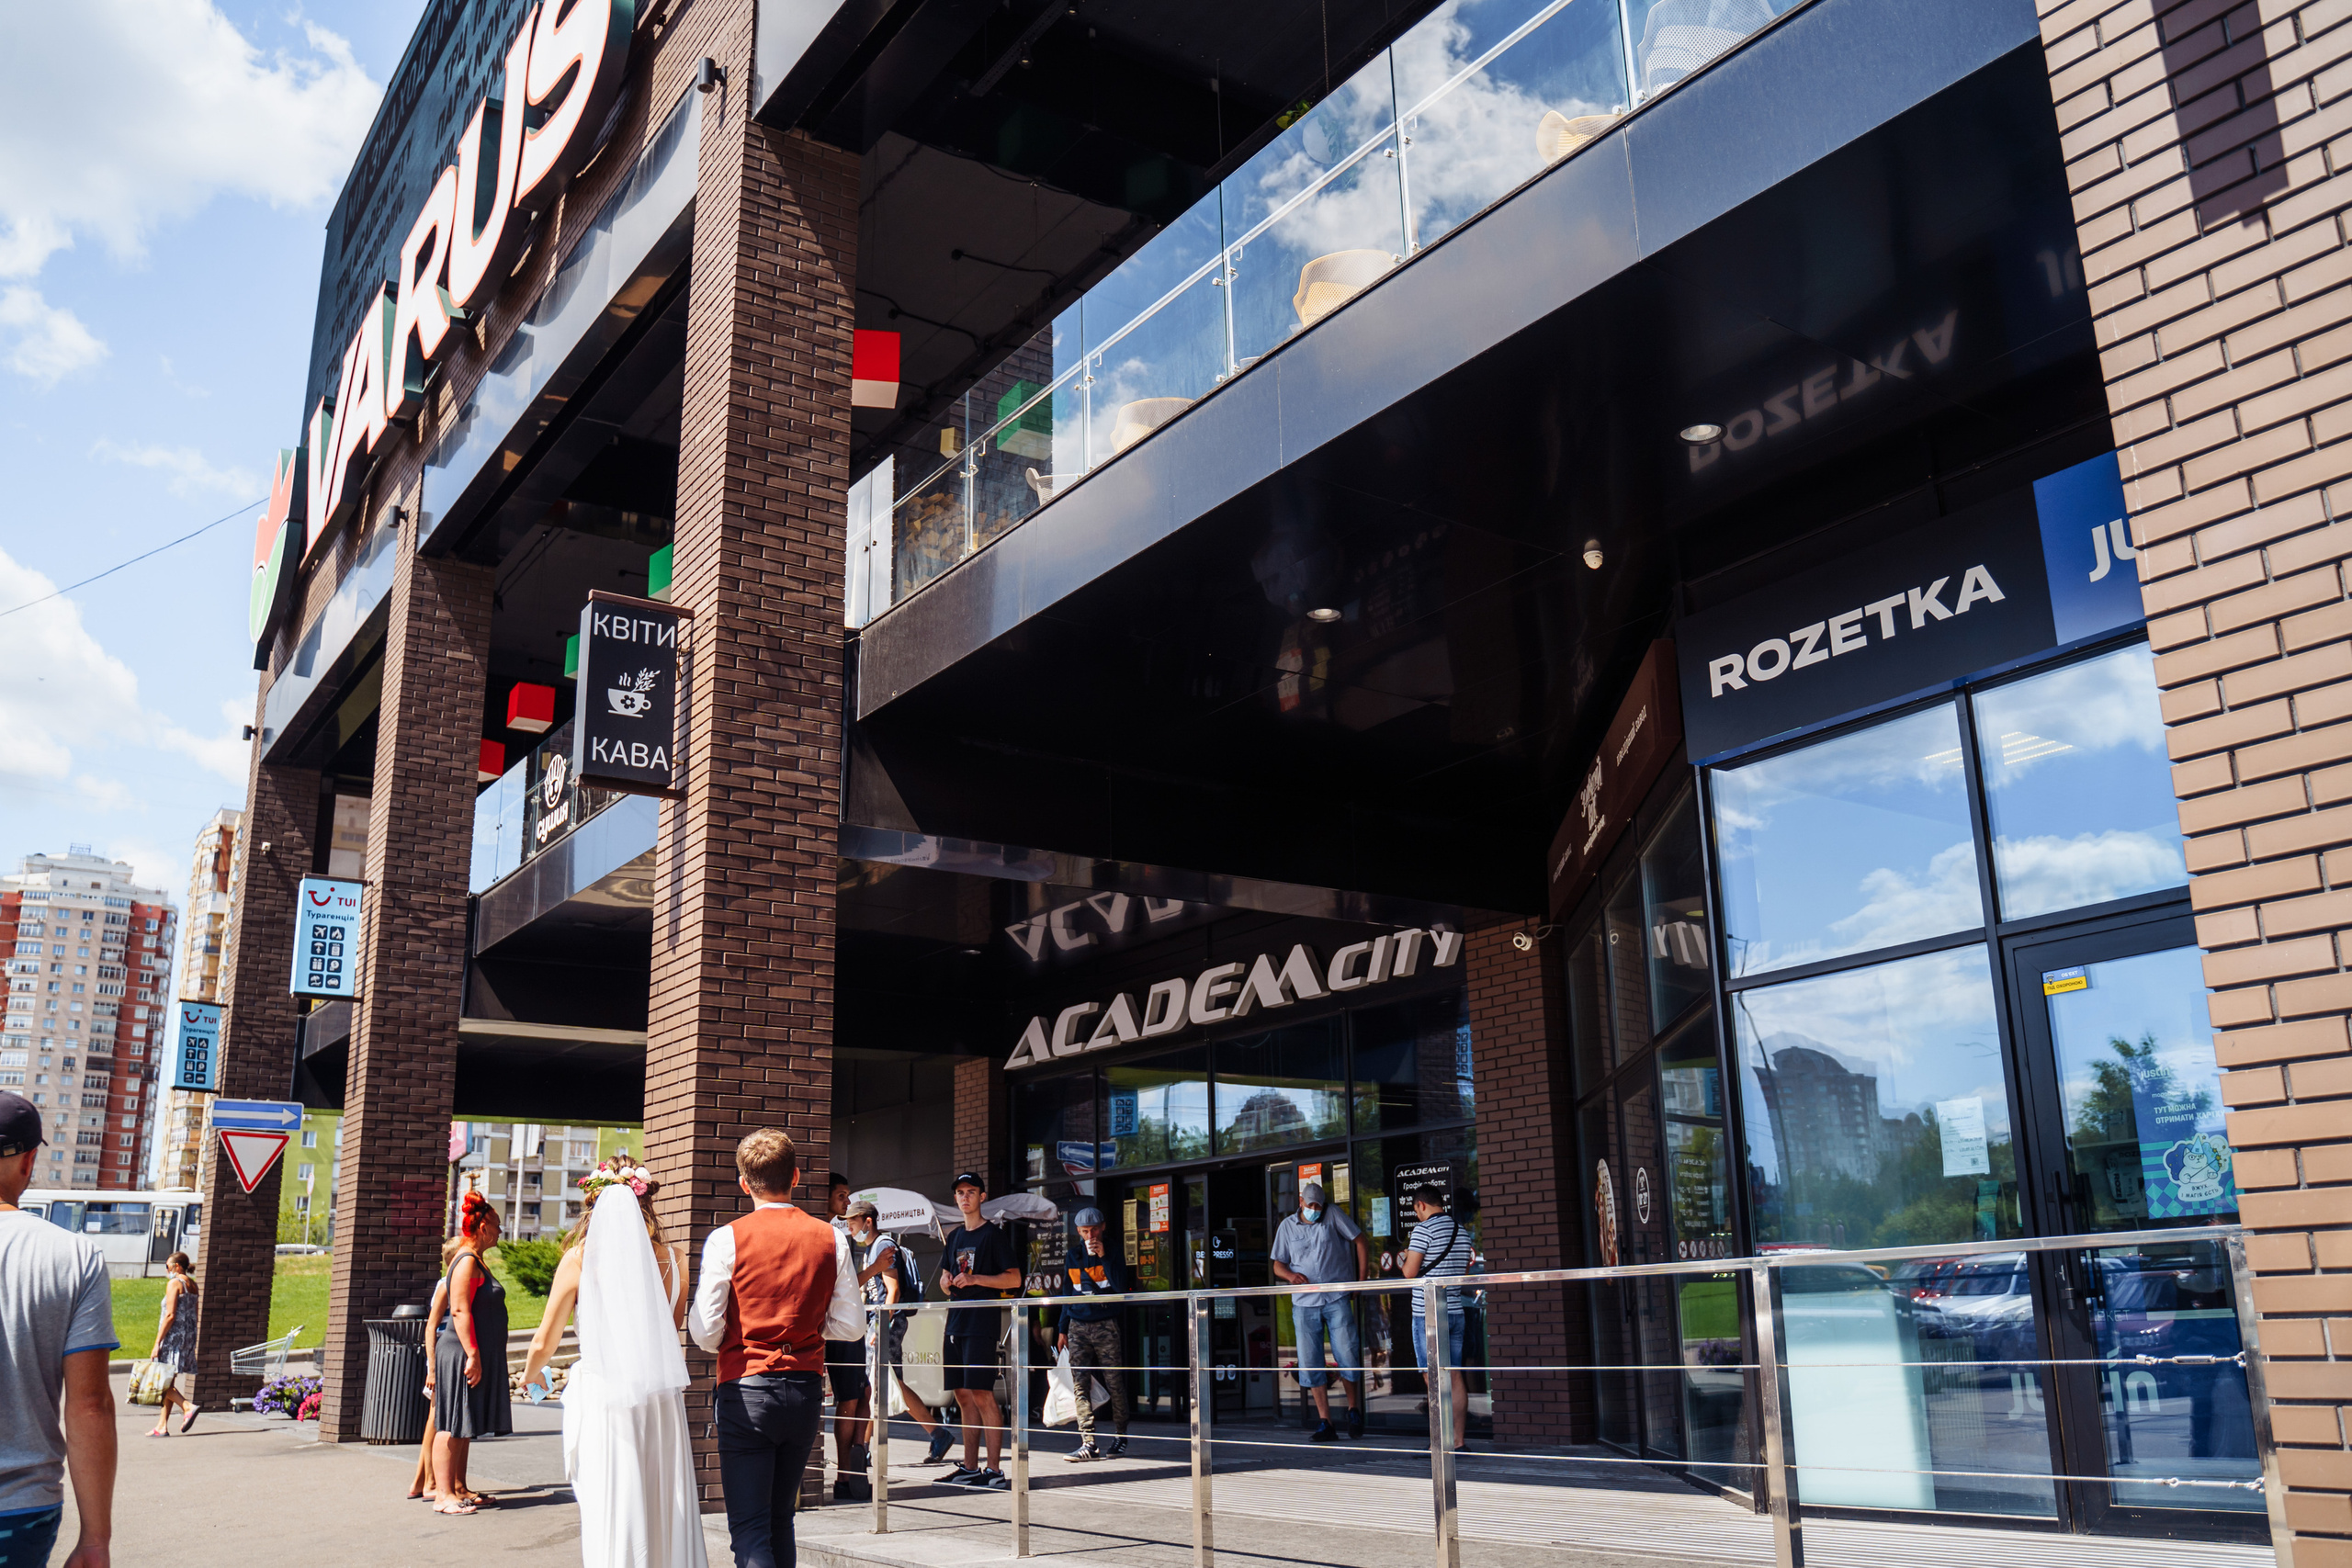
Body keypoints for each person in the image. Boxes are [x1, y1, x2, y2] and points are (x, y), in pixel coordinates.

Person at [687, 1129, 863, 1568]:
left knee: (749, 1533)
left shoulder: (727, 1239)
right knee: (780, 1521)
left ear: (744, 1183)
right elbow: (852, 1325)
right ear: (797, 1176)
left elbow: (706, 1333)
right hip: (804, 1389)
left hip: (746, 1387)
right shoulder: (830, 1237)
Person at [520, 1158, 707, 1568]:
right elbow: (667, 1332)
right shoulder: (676, 1259)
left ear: (594, 1205)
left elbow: (543, 1340)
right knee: (663, 1499)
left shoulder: (580, 1259)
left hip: (607, 1394)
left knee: (614, 1498)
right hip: (659, 1398)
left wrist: (530, 1376)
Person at [0, 1090, 115, 1568]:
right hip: (20, 1510)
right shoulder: (74, 1256)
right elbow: (89, 1406)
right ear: (29, 1161)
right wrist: (95, 1539)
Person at [432, 1190, 513, 1516]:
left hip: (471, 1351)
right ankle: (442, 1495)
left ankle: (458, 1488)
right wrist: (474, 1354)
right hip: (460, 1352)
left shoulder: (474, 1260)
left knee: (464, 1423)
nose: (499, 1231)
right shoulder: (465, 1261)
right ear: (482, 1228)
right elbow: (461, 1311)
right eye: (496, 1225)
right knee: (450, 1422)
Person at [936, 1172, 1019, 1489]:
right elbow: (946, 1279)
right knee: (961, 1393)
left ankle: (995, 1470)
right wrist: (946, 1283)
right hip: (954, 1321)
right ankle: (970, 1466)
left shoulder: (993, 1235)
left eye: (971, 1191)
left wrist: (976, 1279)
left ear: (982, 1197)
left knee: (983, 1393)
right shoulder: (955, 1237)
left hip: (981, 1323)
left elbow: (1014, 1279)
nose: (965, 1197)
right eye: (960, 1192)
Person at [1269, 1180, 1367, 1441]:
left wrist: (1361, 1280)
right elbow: (1278, 1264)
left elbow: (1360, 1241)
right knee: (1310, 1361)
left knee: (1347, 1352)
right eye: (1310, 1205)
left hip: (1336, 1298)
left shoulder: (1332, 1215)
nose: (1314, 1209)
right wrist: (1290, 1276)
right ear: (1300, 1202)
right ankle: (1326, 1421)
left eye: (1318, 1206)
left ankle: (1353, 1409)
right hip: (1304, 1303)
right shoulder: (1287, 1226)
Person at [1399, 1185, 1474, 1450]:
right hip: (1455, 1310)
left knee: (1432, 1377)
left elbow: (1409, 1272)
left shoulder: (1423, 1230)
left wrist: (1404, 1259)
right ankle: (1458, 1440)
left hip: (1428, 1313)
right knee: (1454, 1375)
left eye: (1416, 1210)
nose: (1417, 1215)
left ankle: (1439, 1444)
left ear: (1420, 1205)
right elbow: (1463, 1270)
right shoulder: (1461, 1231)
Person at [1055, 1207, 1131, 1461]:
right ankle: (1088, 1441)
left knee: (1114, 1381)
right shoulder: (1073, 1255)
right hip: (1077, 1324)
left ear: (1103, 1227)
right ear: (1078, 1231)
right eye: (1085, 1231)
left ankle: (1121, 1435)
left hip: (1105, 1323)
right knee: (1080, 1384)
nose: (1090, 1235)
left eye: (1094, 1229)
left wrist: (1105, 1257)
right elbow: (1067, 1293)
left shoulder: (1114, 1250)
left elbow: (1121, 1288)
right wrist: (1062, 1328)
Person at [821, 1178, 872, 1503]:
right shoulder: (831, 1235)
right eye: (841, 1195)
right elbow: (845, 1283)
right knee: (850, 1398)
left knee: (861, 1393)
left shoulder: (839, 1234)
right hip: (837, 1326)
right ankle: (845, 1475)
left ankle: (855, 1465)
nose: (847, 1201)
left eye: (848, 1195)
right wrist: (878, 1267)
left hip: (845, 1326)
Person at [408, 1236, 469, 1503]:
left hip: (445, 1357)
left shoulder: (451, 1283)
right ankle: (430, 1481)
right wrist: (432, 1369)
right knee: (436, 1419)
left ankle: (421, 1481)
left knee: (435, 1419)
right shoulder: (447, 1284)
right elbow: (431, 1327)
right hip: (443, 1358)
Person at [143, 1252, 200, 1438]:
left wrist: (157, 1342)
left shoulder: (174, 1283)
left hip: (172, 1338)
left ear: (177, 1266)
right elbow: (195, 1315)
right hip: (187, 1338)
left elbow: (170, 1315)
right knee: (169, 1381)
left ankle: (187, 1406)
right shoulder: (193, 1286)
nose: (166, 1270)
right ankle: (161, 1426)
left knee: (160, 1380)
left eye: (167, 1266)